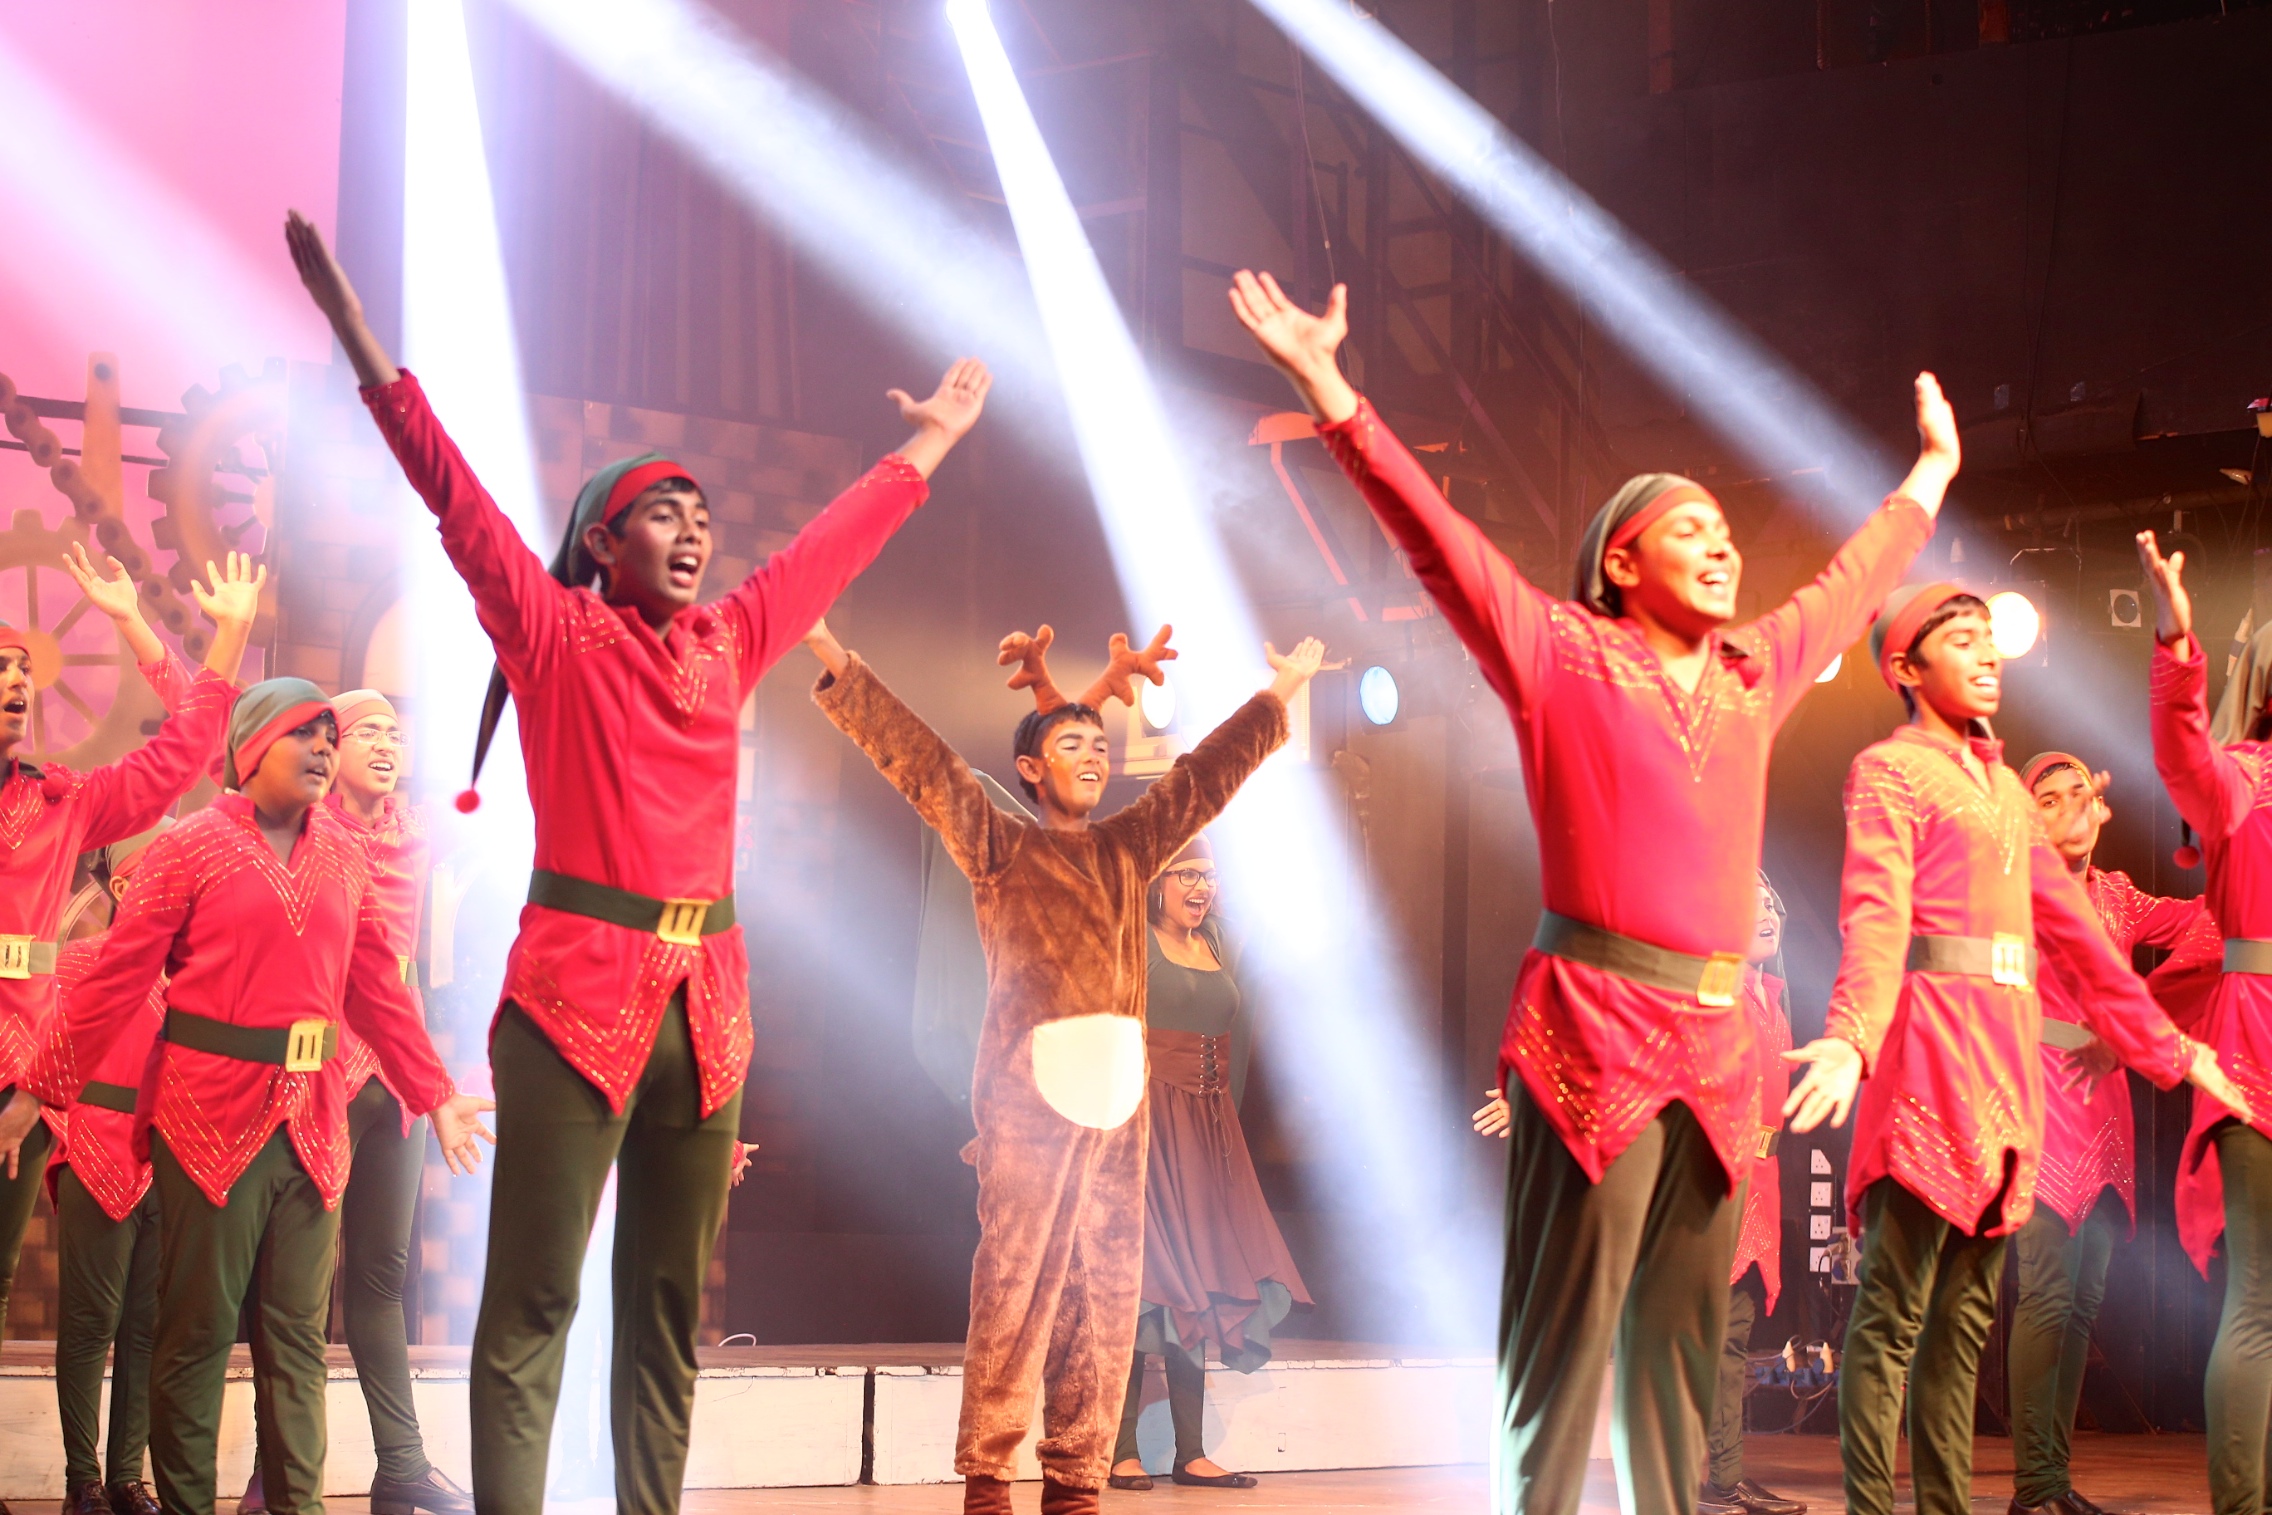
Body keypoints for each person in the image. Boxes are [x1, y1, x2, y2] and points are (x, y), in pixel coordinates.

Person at [283, 209, 993, 1515]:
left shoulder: (730, 640)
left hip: (707, 1010)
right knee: (538, 1301)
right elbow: (454, 496)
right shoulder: (555, 633)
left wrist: (934, 434)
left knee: (666, 1313)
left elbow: (834, 541)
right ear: (602, 542)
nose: (690, 527)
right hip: (571, 1000)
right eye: (658, 510)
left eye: (701, 511)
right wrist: (362, 343)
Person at [1229, 266, 1954, 1515]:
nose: (1723, 545)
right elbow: (1436, 541)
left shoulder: (1753, 670)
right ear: (1620, 561)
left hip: (1724, 1046)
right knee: (1561, 1347)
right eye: (1690, 529)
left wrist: (1927, 480)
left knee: (1678, 1356)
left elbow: (1847, 582)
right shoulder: (1559, 653)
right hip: (1597, 1022)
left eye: (1728, 531)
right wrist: (1331, 391)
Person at [802, 617, 1323, 1515]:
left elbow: (1203, 780)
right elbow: (924, 763)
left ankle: (1078, 1476)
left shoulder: (1129, 847)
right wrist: (837, 661)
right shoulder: (1004, 844)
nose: (1091, 754)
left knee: (1106, 1297)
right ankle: (988, 1479)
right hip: (1032, 1101)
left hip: (1120, 1105)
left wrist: (1277, 697)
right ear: (1033, 770)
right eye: (1069, 743)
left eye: (1098, 743)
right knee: (1017, 1292)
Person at [1781, 583, 2247, 1515]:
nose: (1988, 651)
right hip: (1925, 1066)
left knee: (1960, 1323)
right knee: (1894, 1316)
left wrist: (2168, 1049)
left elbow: (2083, 945)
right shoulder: (1890, 770)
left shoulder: (2004, 796)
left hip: (2005, 1093)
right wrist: (1848, 1034)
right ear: (1907, 669)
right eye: (1962, 637)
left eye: (1991, 636)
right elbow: (1874, 921)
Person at [27, 681, 495, 1515]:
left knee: (296, 1343)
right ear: (250, 749)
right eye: (304, 734)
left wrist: (436, 1090)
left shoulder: (345, 854)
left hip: (314, 1123)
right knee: (198, 1333)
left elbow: (377, 988)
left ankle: (298, 1507)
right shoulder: (192, 847)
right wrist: (41, 1091)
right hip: (208, 1115)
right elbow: (113, 984)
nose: (323, 747)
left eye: (328, 734)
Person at [1470, 873, 1806, 1515]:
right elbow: (1630, 1053)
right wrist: (1540, 1096)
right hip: (1703, 1175)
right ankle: (1680, 1487)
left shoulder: (1770, 998)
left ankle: (1723, 1482)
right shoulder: (1700, 995)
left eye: (1771, 902)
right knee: (1686, 1335)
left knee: (1733, 1333)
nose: (1765, 913)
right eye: (1748, 901)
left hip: (1759, 1182)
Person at [0, 546, 259, 1343]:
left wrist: (226, 638)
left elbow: (178, 759)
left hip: (16, 1077)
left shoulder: (59, 803)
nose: (17, 681)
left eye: (21, 670)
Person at [236, 689, 462, 1515]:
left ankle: (401, 1467)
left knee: (382, 1274)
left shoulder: (420, 829)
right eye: (367, 729)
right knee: (293, 1287)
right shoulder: (311, 829)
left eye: (396, 733)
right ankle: (277, 1469)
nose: (386, 744)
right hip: (320, 1066)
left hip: (396, 1071)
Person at [2008, 752, 2212, 1515]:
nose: (2070, 808)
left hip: (2107, 1102)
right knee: (2049, 1295)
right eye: (2049, 798)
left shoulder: (2119, 897)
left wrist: (2156, 1000)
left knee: (2083, 1304)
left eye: (2080, 794)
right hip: (2037, 1091)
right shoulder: (2011, 888)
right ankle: (2032, 1488)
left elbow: (2215, 919)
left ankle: (2051, 1481)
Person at [2135, 530, 2272, 1515]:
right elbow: (2181, 746)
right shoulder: (2241, 778)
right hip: (2259, 1052)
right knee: (2260, 1300)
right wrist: (2177, 644)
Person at [1107, 835, 1310, 1493]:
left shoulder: (1218, 939)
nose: (1201, 887)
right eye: (1187, 873)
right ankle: (1120, 1449)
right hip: (1145, 1124)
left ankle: (1190, 1452)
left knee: (1199, 1273)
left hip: (1208, 1124)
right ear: (1157, 879)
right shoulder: (1131, 941)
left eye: (1209, 876)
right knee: (1148, 1279)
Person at [45, 820, 173, 1515]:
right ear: (122, 884)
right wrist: (68, 1131)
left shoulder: (195, 975)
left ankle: (128, 1475)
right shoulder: (81, 962)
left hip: (170, 1154)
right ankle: (81, 1477)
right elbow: (52, 1054)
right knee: (91, 1319)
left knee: (147, 1324)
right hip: (97, 1139)